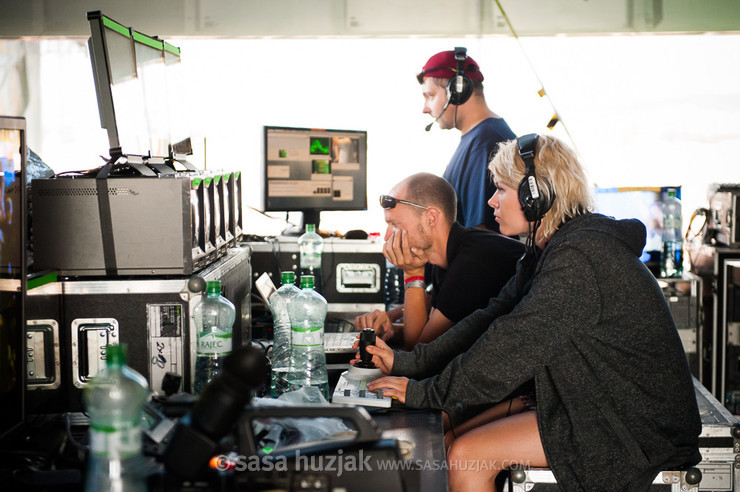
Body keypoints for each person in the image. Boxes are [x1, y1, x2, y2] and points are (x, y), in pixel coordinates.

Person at [361, 134, 701, 491]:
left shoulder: (579, 260)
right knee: (447, 437)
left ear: (535, 197)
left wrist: (422, 393)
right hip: (594, 399)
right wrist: (409, 366)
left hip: (633, 424)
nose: (491, 201)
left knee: (465, 457)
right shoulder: (549, 252)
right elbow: (490, 320)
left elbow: (508, 349)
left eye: (502, 190)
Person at [355, 172, 523, 349]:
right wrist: (391, 329)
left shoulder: (472, 262)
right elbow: (427, 330)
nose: (387, 236)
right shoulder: (449, 252)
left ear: (431, 218)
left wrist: (412, 273)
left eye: (395, 224)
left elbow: (420, 351)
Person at [418, 47, 516, 231]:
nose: (425, 108)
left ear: (457, 90)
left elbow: (482, 234)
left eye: (430, 96)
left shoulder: (486, 142)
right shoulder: (477, 138)